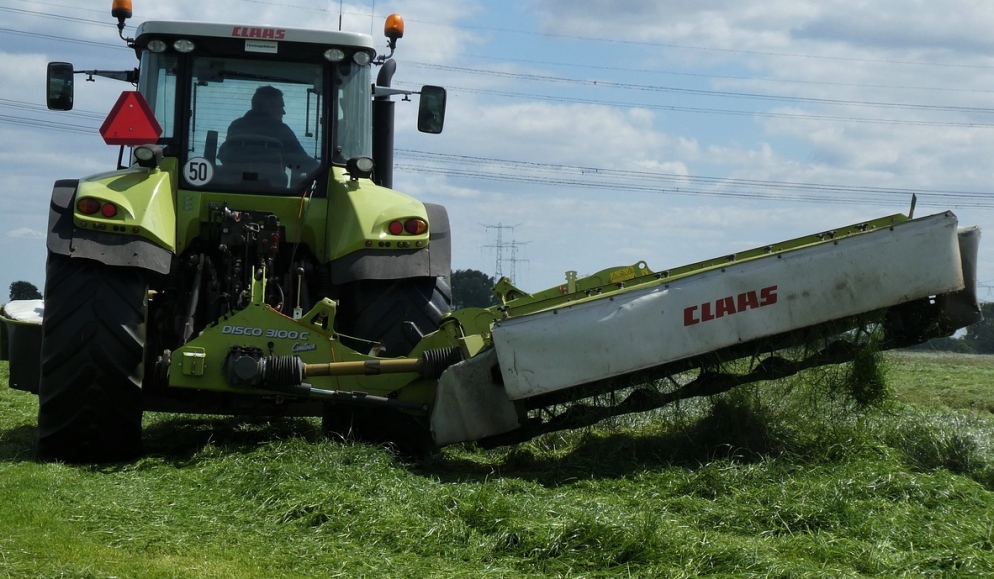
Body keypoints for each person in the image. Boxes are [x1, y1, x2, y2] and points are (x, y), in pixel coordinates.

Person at [224, 85, 319, 177]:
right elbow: (301, 163)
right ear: (269, 106)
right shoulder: (281, 130)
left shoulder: (235, 126)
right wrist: (322, 169)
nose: (283, 112)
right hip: (273, 190)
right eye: (281, 106)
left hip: (232, 187)